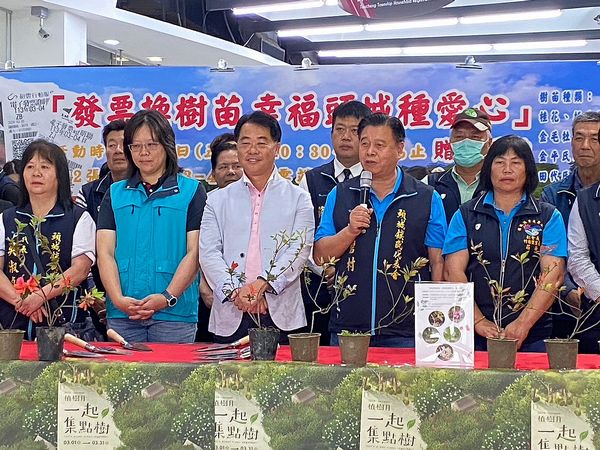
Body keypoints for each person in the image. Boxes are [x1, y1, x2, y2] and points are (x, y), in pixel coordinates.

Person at [313, 113, 447, 347]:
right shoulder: (341, 194)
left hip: (406, 330)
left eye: (379, 145)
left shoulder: (425, 197)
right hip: (349, 327)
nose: (370, 152)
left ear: (400, 149)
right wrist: (350, 231)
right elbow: (321, 256)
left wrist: (436, 317)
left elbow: (437, 262)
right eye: (365, 144)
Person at [443, 135, 567, 352]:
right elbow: (452, 272)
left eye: (516, 163)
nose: (507, 170)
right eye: (499, 162)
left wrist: (523, 324)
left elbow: (553, 276)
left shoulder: (548, 216)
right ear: (488, 169)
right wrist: (478, 321)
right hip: (474, 333)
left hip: (533, 334)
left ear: (528, 170)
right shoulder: (465, 214)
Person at [200, 111, 314, 344]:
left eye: (261, 143)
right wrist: (236, 292)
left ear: (277, 148)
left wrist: (261, 286)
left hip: (281, 312)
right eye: (245, 143)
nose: (252, 150)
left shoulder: (299, 198)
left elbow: (298, 251)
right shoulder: (216, 200)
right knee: (226, 369)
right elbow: (209, 252)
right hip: (231, 311)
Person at [97, 109, 206, 343]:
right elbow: (104, 252)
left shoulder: (191, 191)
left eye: (152, 144)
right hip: (124, 313)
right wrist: (117, 299)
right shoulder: (115, 193)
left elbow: (195, 252)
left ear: (167, 145)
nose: (143, 153)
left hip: (175, 315)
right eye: (136, 146)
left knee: (170, 369)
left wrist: (167, 297)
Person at [0, 140, 96, 339]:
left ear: (60, 175)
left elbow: (80, 270)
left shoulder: (78, 217)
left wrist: (40, 297)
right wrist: (23, 302)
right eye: (30, 167)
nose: (36, 173)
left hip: (63, 326)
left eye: (45, 167)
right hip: (12, 326)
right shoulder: (6, 219)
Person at [299, 100, 372, 344]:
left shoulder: (378, 180)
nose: (346, 137)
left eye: (354, 130)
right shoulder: (311, 180)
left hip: (364, 290)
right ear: (331, 134)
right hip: (318, 287)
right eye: (340, 129)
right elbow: (302, 236)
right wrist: (326, 269)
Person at [541, 111, 600, 338]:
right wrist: (567, 289)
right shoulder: (553, 195)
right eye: (579, 137)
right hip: (564, 301)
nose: (585, 146)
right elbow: (549, 251)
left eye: (595, 139)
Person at [197, 133, 242, 342]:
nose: (231, 171)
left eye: (236, 166)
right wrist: (204, 288)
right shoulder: (205, 203)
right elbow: (198, 250)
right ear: (213, 174)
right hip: (210, 295)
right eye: (223, 167)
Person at [426, 108, 492, 224]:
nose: (466, 142)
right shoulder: (430, 184)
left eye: (475, 137)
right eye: (459, 137)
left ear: (489, 143)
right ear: (450, 142)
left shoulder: (499, 184)